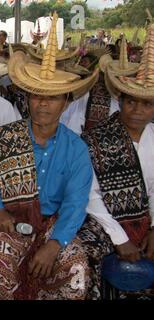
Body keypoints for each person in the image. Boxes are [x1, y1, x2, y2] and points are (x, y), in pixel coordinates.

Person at [0, 12, 99, 300]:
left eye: (53, 96)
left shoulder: (76, 149)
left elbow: (76, 202)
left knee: (76, 271)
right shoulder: (4, 139)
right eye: (36, 95)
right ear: (27, 98)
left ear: (66, 102)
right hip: (11, 220)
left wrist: (55, 243)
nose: (43, 103)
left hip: (54, 223)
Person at [78, 22, 154, 300]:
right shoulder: (95, 139)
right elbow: (90, 195)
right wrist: (119, 236)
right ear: (119, 101)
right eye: (131, 102)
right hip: (102, 219)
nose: (137, 110)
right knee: (78, 250)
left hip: (145, 218)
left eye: (147, 104)